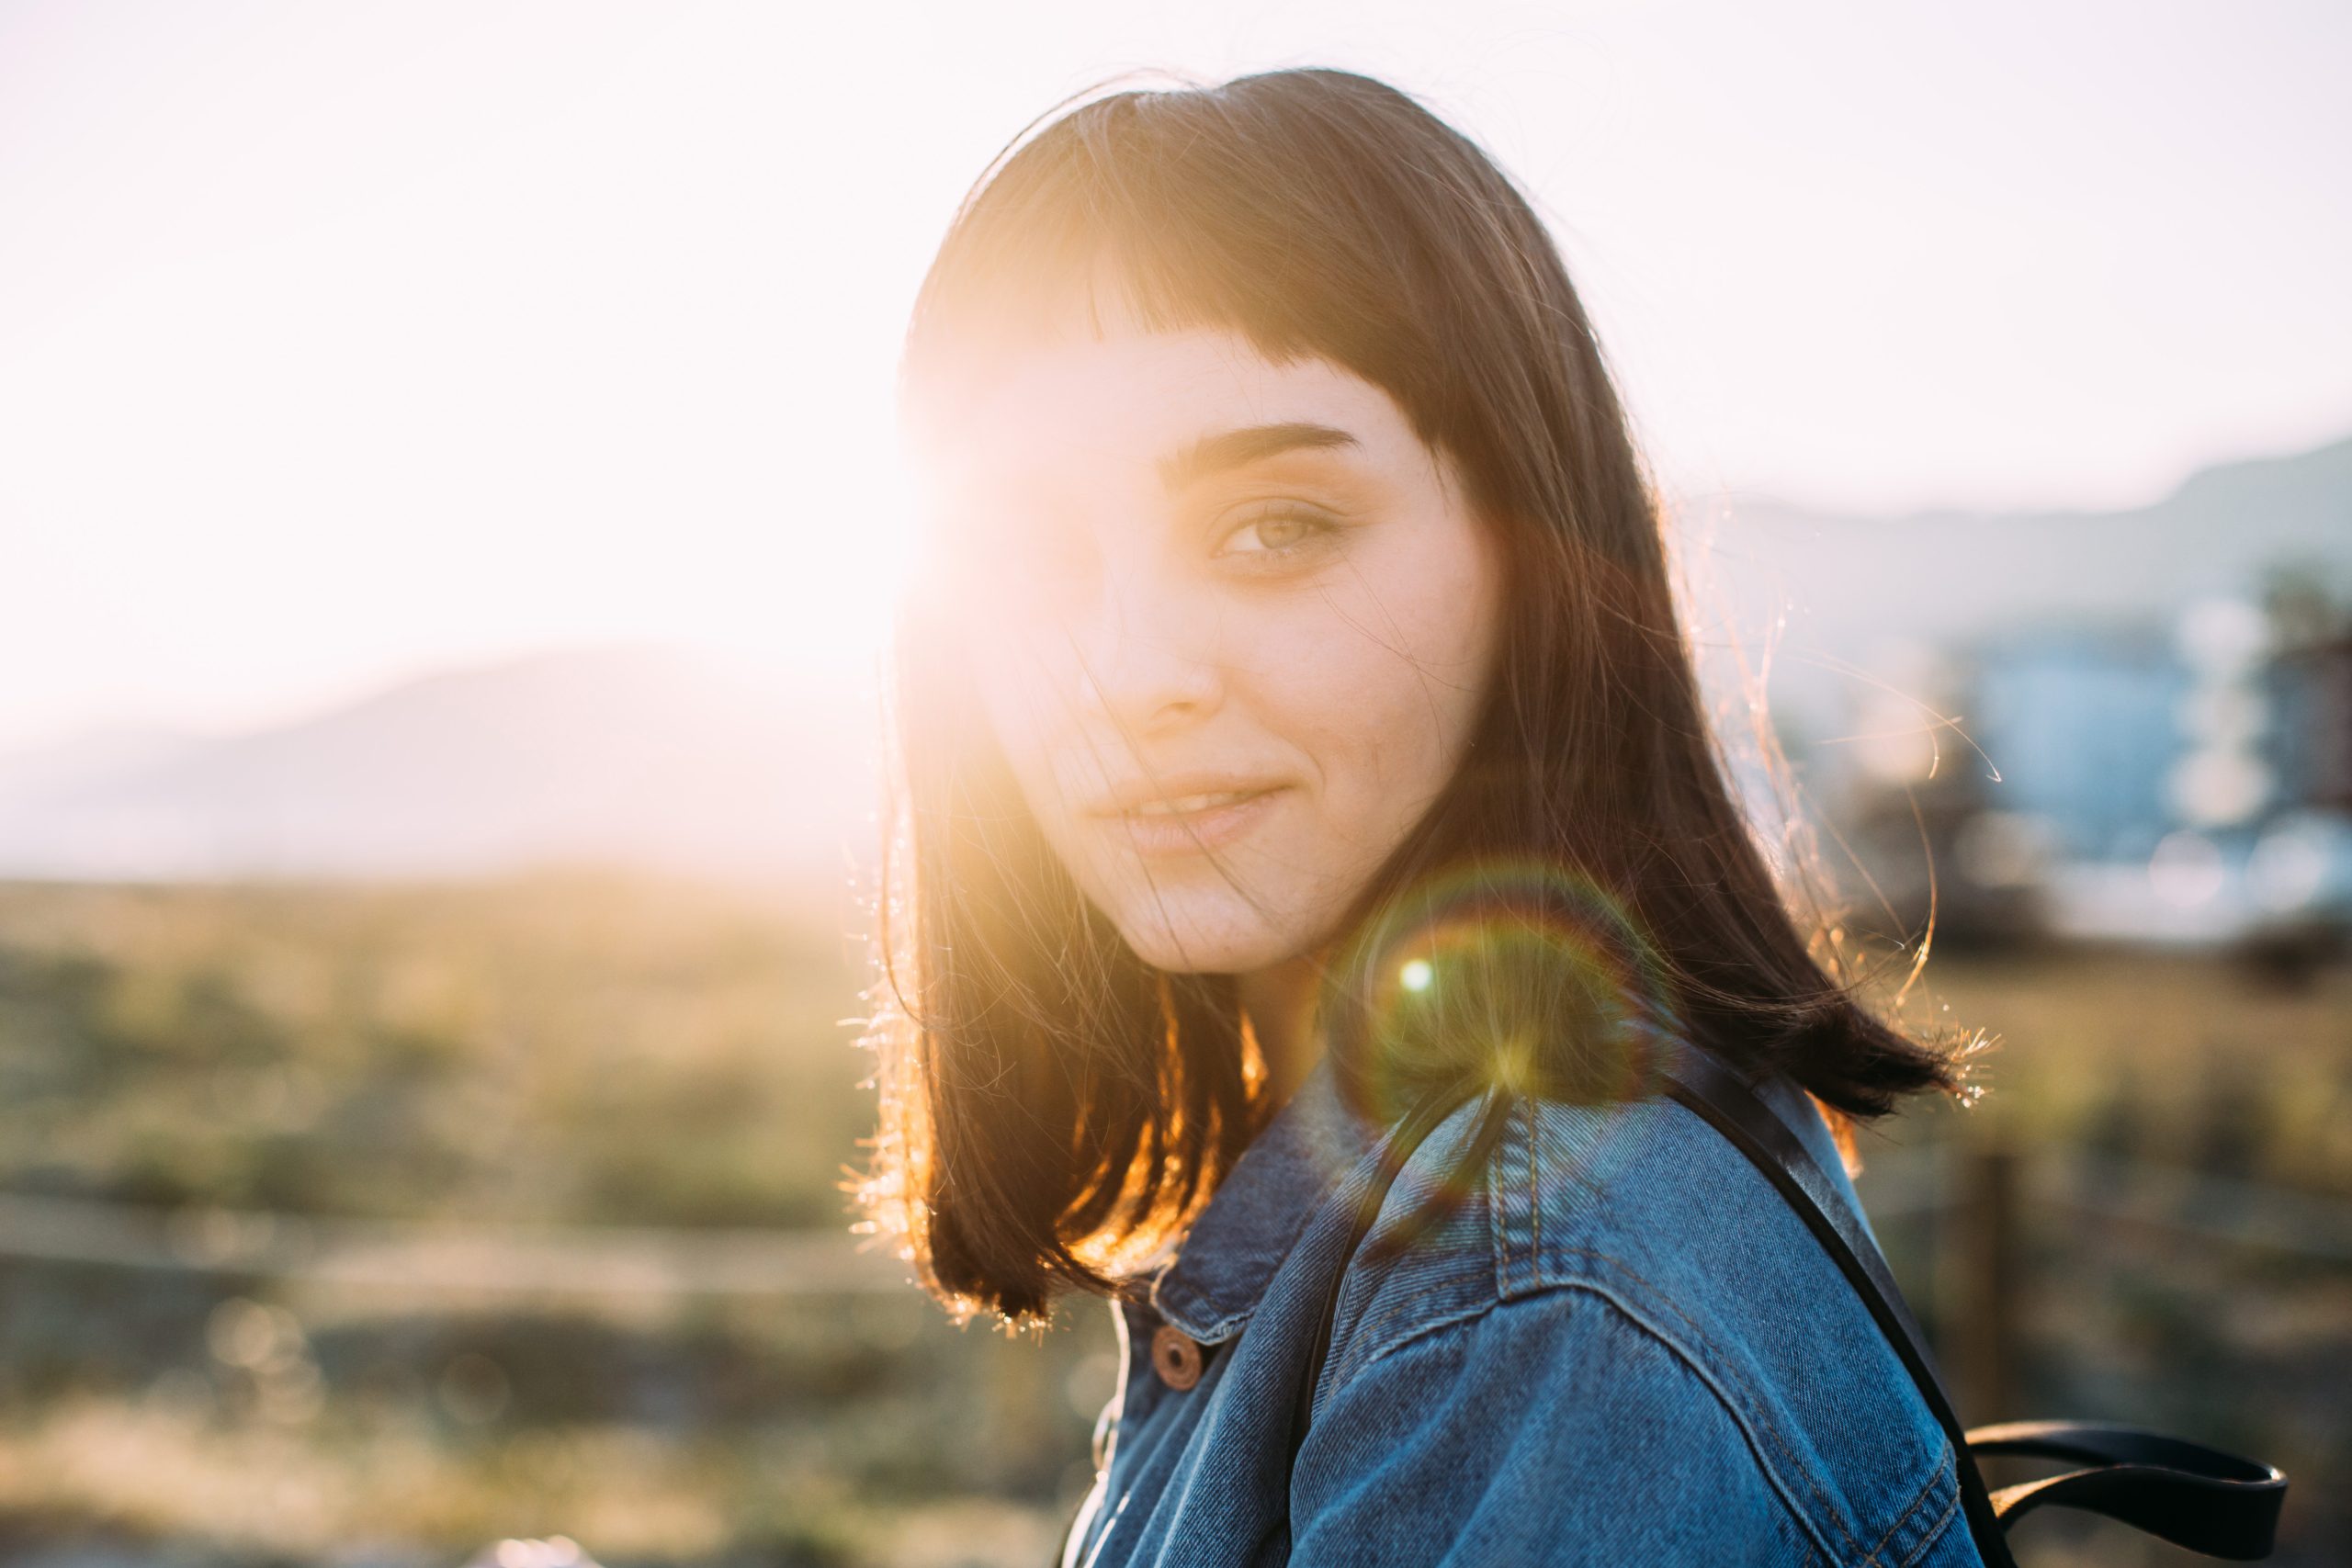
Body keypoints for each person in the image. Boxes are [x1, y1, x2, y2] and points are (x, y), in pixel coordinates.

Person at [856, 66, 1985, 1566]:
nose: (1127, 675)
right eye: (1029, 555)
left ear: (1537, 553)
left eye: (1277, 529)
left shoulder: (1531, 1284)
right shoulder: (1444, 1190)